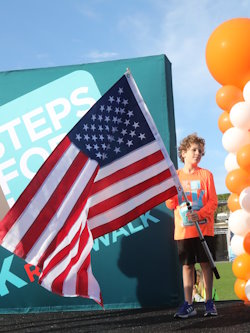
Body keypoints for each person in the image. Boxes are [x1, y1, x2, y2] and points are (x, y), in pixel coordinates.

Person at [166, 133, 218, 318]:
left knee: (205, 265)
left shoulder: (206, 175)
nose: (197, 153)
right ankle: (188, 304)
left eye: (200, 151)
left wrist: (200, 213)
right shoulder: (176, 176)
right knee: (187, 266)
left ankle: (209, 302)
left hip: (204, 229)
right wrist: (172, 195)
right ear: (184, 152)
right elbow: (170, 204)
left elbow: (213, 202)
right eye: (194, 150)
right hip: (183, 231)